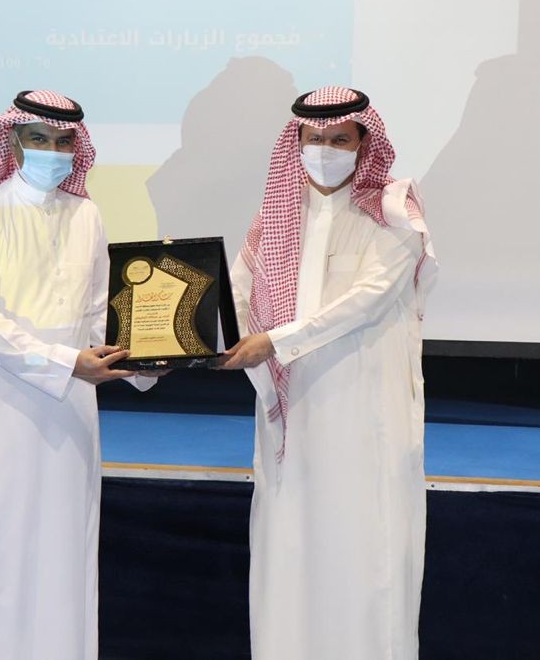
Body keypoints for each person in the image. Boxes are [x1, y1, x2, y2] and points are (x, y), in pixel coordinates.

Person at [0, 90, 155, 660]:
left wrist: (148, 356)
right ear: (11, 141)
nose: (52, 152)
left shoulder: (86, 215)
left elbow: (100, 311)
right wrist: (67, 363)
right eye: (39, 139)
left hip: (71, 414)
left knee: (63, 552)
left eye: (63, 141)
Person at [220, 86, 437, 659]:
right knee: (290, 547)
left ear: (364, 143)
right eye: (313, 138)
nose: (324, 150)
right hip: (294, 418)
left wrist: (274, 341)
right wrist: (195, 340)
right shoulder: (277, 214)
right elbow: (237, 294)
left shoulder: (393, 211)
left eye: (339, 139)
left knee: (366, 551)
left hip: (366, 413)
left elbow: (368, 300)